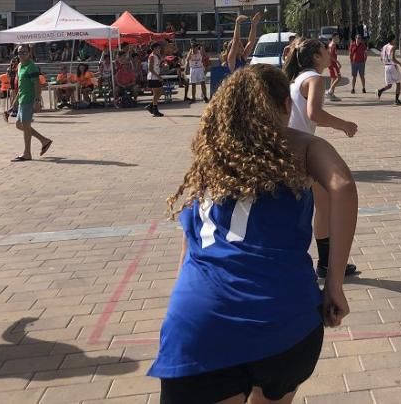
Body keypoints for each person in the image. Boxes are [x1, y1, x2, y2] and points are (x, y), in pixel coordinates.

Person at [149, 65, 357, 403]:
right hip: (288, 319)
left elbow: (188, 251)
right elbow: (343, 187)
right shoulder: (302, 147)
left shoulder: (212, 157)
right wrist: (334, 283)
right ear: (286, 107)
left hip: (203, 322)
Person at [284, 39, 359, 280]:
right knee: (320, 206)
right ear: (316, 56)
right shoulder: (314, 79)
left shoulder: (297, 78)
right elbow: (314, 113)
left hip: (292, 147)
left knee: (322, 205)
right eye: (325, 50)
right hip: (302, 151)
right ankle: (322, 263)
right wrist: (344, 125)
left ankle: (325, 262)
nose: (330, 53)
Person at [11, 45, 52, 162]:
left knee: (25, 126)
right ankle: (44, 140)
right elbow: (21, 85)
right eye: (19, 53)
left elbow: (37, 85)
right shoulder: (19, 66)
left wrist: (37, 100)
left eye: (24, 52)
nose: (21, 55)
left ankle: (27, 153)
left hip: (29, 99)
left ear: (29, 53)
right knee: (20, 125)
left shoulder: (31, 66)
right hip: (22, 99)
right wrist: (16, 99)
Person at [147, 42, 165, 117]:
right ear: (154, 48)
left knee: (159, 92)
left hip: (155, 76)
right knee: (157, 93)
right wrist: (158, 77)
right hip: (153, 77)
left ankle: (151, 106)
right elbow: (150, 69)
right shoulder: (152, 56)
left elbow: (156, 66)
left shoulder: (156, 56)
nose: (159, 49)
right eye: (158, 48)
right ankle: (154, 110)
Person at [326, 33, 342, 101]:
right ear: (333, 37)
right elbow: (330, 55)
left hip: (331, 63)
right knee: (339, 77)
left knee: (333, 78)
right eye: (337, 37)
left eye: (338, 37)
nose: (338, 39)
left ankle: (331, 95)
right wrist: (337, 62)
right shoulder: (333, 44)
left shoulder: (331, 44)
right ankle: (329, 91)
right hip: (333, 64)